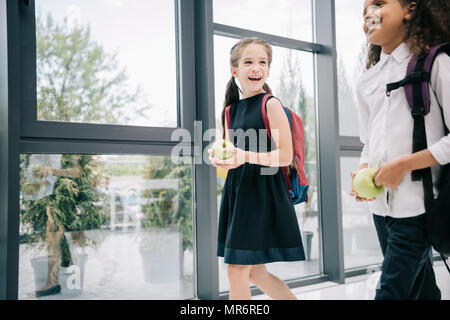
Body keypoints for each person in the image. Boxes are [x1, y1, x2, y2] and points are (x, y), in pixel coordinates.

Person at [350, 0, 449, 300]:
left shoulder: (436, 62)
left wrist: (402, 165)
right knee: (420, 291)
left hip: (418, 208)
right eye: (364, 9)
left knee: (392, 292)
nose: (369, 13)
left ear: (409, 10)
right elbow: (368, 140)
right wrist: (364, 169)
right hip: (380, 209)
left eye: (378, 3)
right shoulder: (368, 78)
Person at [208, 37, 305, 300]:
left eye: (262, 62)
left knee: (238, 269)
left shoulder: (270, 104)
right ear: (234, 70)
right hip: (239, 192)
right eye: (248, 62)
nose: (256, 68)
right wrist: (219, 158)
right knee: (254, 273)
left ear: (268, 69)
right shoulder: (229, 111)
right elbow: (231, 152)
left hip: (262, 194)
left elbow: (285, 156)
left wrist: (244, 156)